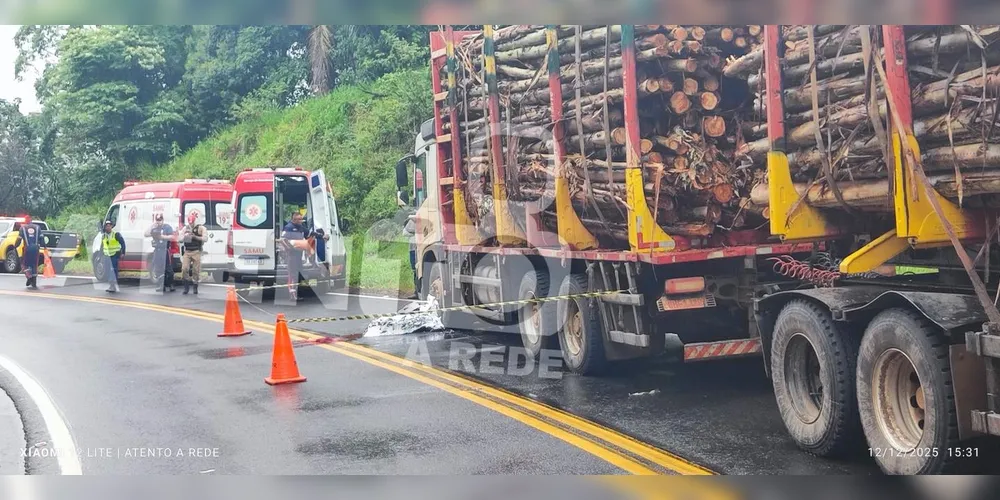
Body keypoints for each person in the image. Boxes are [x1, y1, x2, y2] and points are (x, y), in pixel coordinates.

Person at [280, 212, 309, 301]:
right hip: (292, 254)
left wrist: (321, 236)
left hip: (299, 254)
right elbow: (283, 240)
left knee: (298, 273)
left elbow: (309, 233)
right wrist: (288, 249)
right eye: (299, 219)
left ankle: (296, 292)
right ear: (294, 219)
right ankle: (292, 295)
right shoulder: (288, 227)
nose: (301, 221)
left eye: (301, 219)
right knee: (293, 274)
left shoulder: (300, 227)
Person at [144, 213, 176, 293]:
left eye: (160, 220)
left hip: (165, 250)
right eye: (157, 220)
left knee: (168, 268)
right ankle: (161, 285)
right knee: (158, 268)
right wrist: (152, 226)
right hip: (157, 250)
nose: (159, 222)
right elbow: (146, 234)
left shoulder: (167, 227)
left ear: (163, 220)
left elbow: (172, 237)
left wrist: (162, 237)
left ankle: (171, 284)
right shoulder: (154, 228)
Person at [180, 212, 207, 295]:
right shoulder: (185, 228)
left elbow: (205, 238)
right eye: (189, 222)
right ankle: (186, 285)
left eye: (192, 222)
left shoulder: (201, 228)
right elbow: (179, 238)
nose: (190, 224)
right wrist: (185, 236)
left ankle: (195, 285)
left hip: (196, 251)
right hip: (187, 251)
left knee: (196, 270)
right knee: (184, 269)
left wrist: (195, 237)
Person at [14, 215, 42, 290]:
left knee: (25, 264)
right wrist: (44, 247)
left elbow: (19, 239)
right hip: (36, 249)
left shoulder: (22, 228)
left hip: (27, 249)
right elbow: (41, 238)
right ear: (31, 220)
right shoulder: (37, 227)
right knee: (34, 264)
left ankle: (29, 276)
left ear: (26, 221)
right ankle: (34, 281)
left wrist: (15, 246)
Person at [100, 220, 126, 293]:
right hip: (106, 256)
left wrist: (123, 253)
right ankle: (112, 285)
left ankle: (112, 285)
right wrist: (100, 255)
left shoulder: (116, 234)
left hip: (114, 255)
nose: (108, 227)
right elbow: (102, 246)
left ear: (111, 226)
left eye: (109, 226)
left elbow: (123, 243)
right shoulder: (104, 236)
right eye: (106, 226)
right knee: (108, 270)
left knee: (112, 270)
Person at [403, 214, 419, 299]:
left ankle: (418, 291)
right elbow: (404, 233)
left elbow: (405, 232)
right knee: (415, 271)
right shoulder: (412, 221)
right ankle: (417, 291)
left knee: (417, 270)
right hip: (413, 249)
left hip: (418, 248)